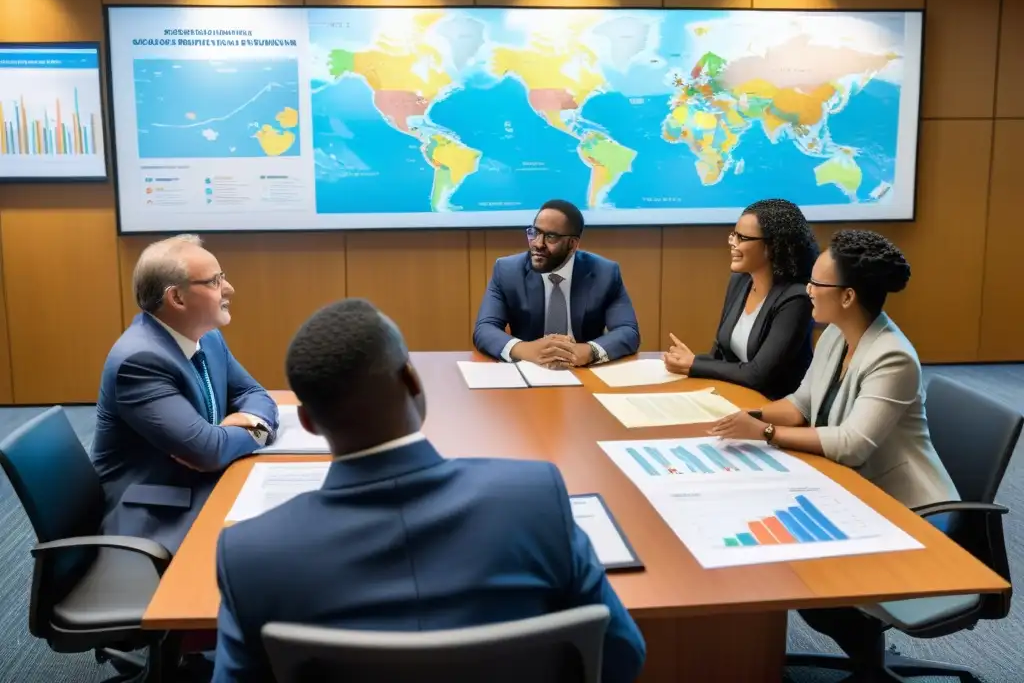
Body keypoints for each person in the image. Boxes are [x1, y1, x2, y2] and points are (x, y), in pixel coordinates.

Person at [212, 298, 646, 683]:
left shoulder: (250, 555)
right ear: (414, 382)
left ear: (306, 421)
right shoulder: (535, 497)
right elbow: (622, 656)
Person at [706, 230, 959, 668]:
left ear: (846, 296)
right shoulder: (834, 337)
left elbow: (852, 444)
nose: (806, 292)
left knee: (806, 576)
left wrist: (763, 434)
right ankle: (862, 654)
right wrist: (750, 419)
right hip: (852, 491)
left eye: (815, 285)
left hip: (907, 512)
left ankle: (866, 662)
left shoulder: (892, 357)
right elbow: (802, 405)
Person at [91, 235, 278, 554]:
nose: (229, 289)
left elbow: (256, 394)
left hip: (202, 484)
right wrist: (247, 432)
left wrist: (245, 428)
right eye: (216, 281)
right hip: (156, 513)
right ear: (177, 297)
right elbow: (207, 450)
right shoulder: (139, 362)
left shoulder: (209, 338)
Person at [663, 198, 818, 399]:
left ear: (772, 246)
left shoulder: (797, 298)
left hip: (774, 408)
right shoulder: (740, 281)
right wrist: (691, 362)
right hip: (734, 396)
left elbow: (758, 375)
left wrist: (694, 364)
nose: (732, 243)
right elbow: (719, 353)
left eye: (742, 238)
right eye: (733, 235)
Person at [473, 199, 640, 367]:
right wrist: (525, 349)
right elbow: (485, 329)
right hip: (529, 368)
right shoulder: (508, 270)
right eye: (534, 232)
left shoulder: (605, 273)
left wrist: (590, 351)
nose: (538, 243)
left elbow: (628, 331)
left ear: (572, 244)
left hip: (583, 370)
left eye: (550, 237)